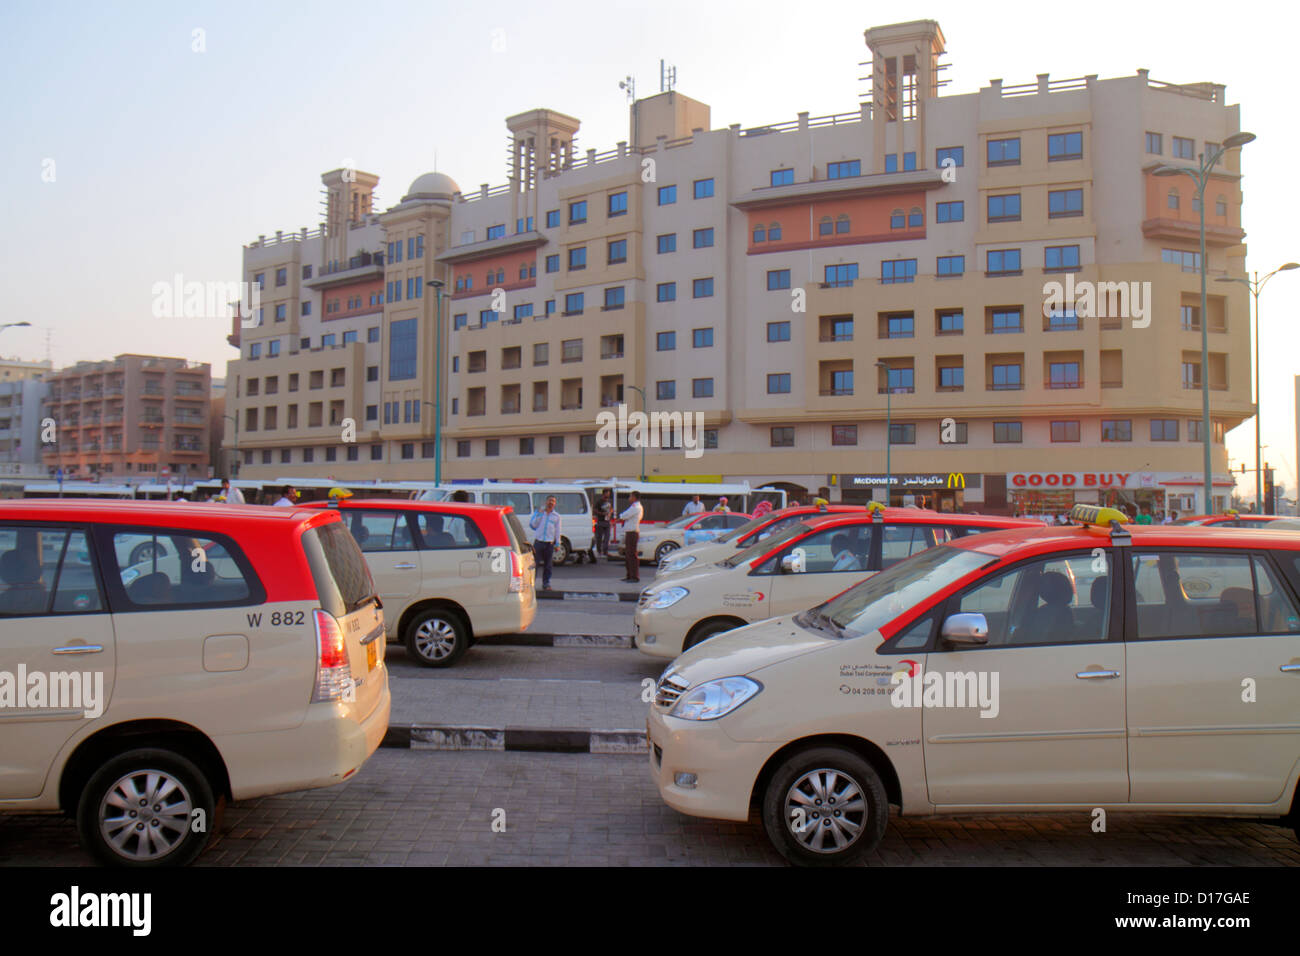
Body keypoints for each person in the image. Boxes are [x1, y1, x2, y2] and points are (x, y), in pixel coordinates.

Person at [529, 495, 562, 590]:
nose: (551, 503)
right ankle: (531, 583)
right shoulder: (539, 513)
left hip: (549, 543)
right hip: (539, 542)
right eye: (549, 500)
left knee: (548, 565)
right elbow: (533, 525)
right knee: (535, 564)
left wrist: (557, 543)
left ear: (555, 504)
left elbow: (558, 530)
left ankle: (546, 583)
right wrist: (540, 514)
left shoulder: (557, 517)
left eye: (553, 501)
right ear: (546, 502)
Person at [620, 491, 644, 583]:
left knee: (632, 554)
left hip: (632, 533)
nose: (629, 498)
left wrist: (619, 518)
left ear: (634, 497)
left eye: (630, 496)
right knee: (628, 554)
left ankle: (634, 576)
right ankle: (629, 575)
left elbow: (625, 515)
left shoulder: (636, 507)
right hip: (630, 532)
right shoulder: (634, 506)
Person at [594, 491, 613, 557]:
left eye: (609, 494)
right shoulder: (599, 502)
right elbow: (595, 510)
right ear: (603, 494)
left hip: (607, 521)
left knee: (607, 537)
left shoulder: (609, 501)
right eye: (607, 493)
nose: (608, 495)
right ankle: (599, 551)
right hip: (601, 521)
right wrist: (601, 513)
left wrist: (610, 513)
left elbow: (611, 509)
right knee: (599, 537)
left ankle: (605, 551)